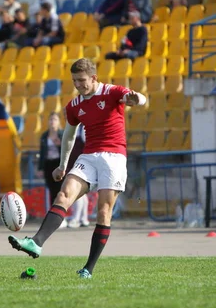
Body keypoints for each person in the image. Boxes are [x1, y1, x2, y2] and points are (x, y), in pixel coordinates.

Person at [8, 58, 147, 279]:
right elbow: (69, 136)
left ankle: (88, 269)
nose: (78, 85)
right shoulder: (74, 106)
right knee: (64, 194)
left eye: (82, 80)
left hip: (114, 157)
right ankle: (36, 242)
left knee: (103, 212)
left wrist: (136, 98)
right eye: (74, 81)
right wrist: (63, 165)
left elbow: (141, 99)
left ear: (93, 78)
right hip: (89, 156)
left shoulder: (112, 92)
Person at [37, 112, 67, 229]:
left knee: (60, 191)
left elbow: (67, 150)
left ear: (58, 122)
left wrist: (59, 145)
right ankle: (52, 217)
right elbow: (42, 153)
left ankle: (61, 217)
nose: (52, 122)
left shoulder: (62, 134)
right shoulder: (44, 136)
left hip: (59, 164)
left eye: (54, 119)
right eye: (50, 120)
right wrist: (40, 168)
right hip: (48, 165)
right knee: (51, 191)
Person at [66, 125, 90, 228]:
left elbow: (86, 143)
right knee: (82, 193)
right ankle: (83, 218)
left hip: (81, 162)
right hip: (75, 161)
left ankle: (76, 218)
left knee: (77, 191)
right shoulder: (76, 127)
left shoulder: (84, 127)